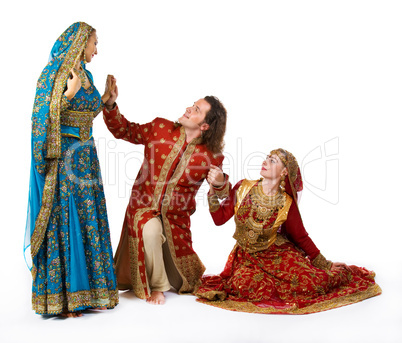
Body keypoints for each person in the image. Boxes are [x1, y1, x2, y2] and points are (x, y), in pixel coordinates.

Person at [196, 148, 381, 314]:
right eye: (267, 157)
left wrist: (325, 264)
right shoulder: (243, 187)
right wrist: (212, 192)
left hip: (276, 255)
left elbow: (300, 236)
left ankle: (335, 274)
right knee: (246, 285)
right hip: (247, 258)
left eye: (273, 160)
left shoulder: (286, 203)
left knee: (310, 283)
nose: (265, 161)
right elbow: (219, 219)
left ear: (284, 172)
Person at [102, 82, 229, 305]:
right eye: (192, 105)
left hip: (176, 224)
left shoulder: (212, 156)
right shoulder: (160, 128)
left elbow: (220, 194)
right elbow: (124, 130)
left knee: (184, 283)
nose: (189, 109)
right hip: (142, 209)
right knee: (150, 230)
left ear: (206, 126)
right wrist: (111, 105)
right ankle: (158, 286)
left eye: (196, 110)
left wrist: (219, 182)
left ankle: (167, 275)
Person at [24, 22, 118, 317]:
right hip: (63, 160)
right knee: (67, 219)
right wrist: (66, 95)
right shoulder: (53, 73)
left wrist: (105, 101)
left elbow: (84, 113)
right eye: (94, 43)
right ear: (80, 42)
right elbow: (40, 118)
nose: (96, 49)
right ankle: (64, 299)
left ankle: (91, 293)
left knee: (89, 217)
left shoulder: (86, 74)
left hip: (86, 159)